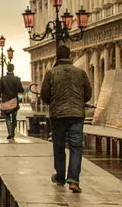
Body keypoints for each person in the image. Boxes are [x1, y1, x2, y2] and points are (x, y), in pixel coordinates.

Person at [40, 44, 93, 193]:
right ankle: (74, 180)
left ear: (56, 57)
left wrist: (54, 102)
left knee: (59, 146)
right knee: (76, 146)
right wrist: (78, 101)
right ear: (70, 57)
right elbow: (88, 94)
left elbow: (44, 95)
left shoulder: (50, 74)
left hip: (58, 115)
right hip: (76, 115)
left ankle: (60, 177)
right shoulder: (80, 72)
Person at [0, 64, 24, 140]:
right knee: (14, 117)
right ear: (13, 69)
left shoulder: (3, 79)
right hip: (14, 101)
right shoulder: (17, 79)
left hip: (5, 101)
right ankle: (13, 132)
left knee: (7, 118)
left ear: (7, 69)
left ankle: (10, 133)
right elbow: (21, 90)